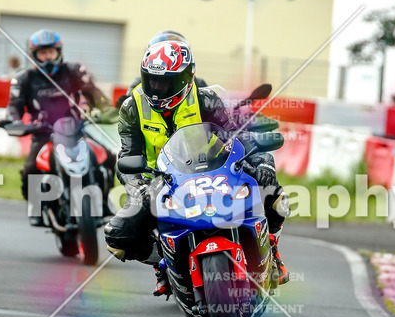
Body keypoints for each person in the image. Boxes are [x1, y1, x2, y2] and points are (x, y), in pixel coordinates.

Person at [104, 39, 289, 295]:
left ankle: (271, 246)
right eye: (152, 80)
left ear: (187, 77)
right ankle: (164, 262)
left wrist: (259, 162)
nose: (157, 88)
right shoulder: (131, 107)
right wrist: (139, 188)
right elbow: (127, 157)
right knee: (118, 237)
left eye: (166, 81)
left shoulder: (207, 99)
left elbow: (236, 135)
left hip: (213, 169)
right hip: (160, 180)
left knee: (272, 187)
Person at [0, 29, 116, 224]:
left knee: (107, 157)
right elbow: (14, 106)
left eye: (51, 52)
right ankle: (36, 208)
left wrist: (106, 110)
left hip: (77, 131)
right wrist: (14, 121)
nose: (47, 58)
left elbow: (95, 94)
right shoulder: (23, 79)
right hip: (43, 134)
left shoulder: (74, 71)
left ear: (59, 52)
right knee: (30, 168)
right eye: (42, 53)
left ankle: (103, 201)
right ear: (34, 55)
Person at [118, 31, 207, 107]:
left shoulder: (199, 84)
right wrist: (129, 103)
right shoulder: (139, 83)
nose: (157, 86)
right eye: (154, 80)